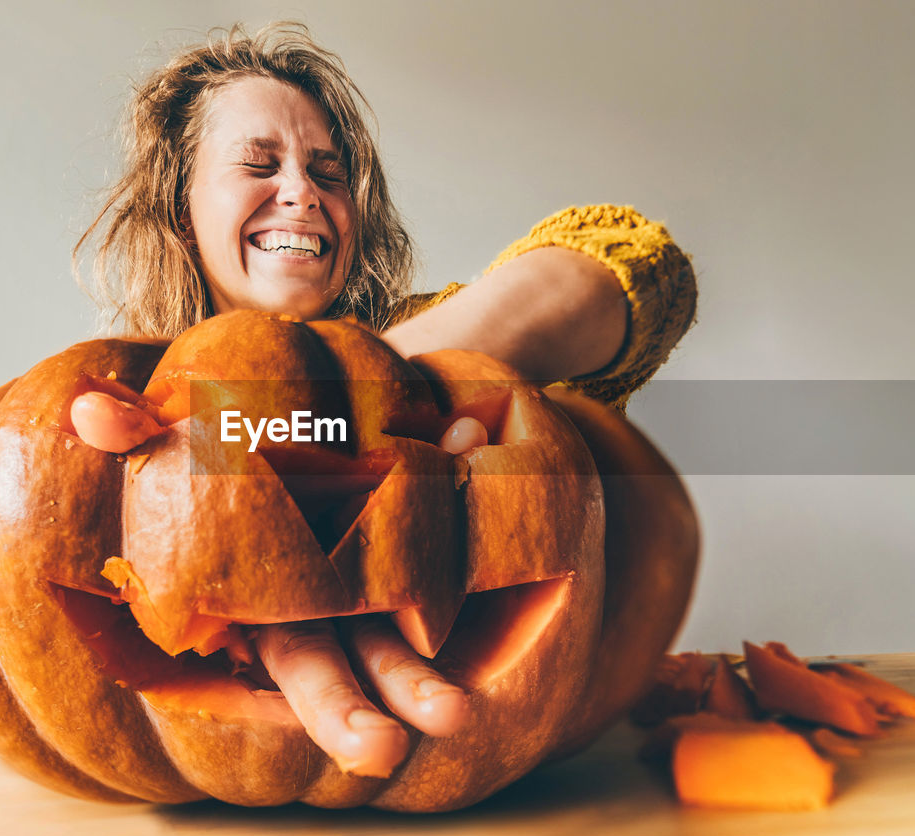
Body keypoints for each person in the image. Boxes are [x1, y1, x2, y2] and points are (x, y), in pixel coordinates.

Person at [69, 22, 697, 779]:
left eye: (330, 174)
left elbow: (638, 265)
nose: (302, 191)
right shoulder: (130, 406)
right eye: (259, 164)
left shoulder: (443, 345)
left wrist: (358, 403)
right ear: (179, 209)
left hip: (487, 782)